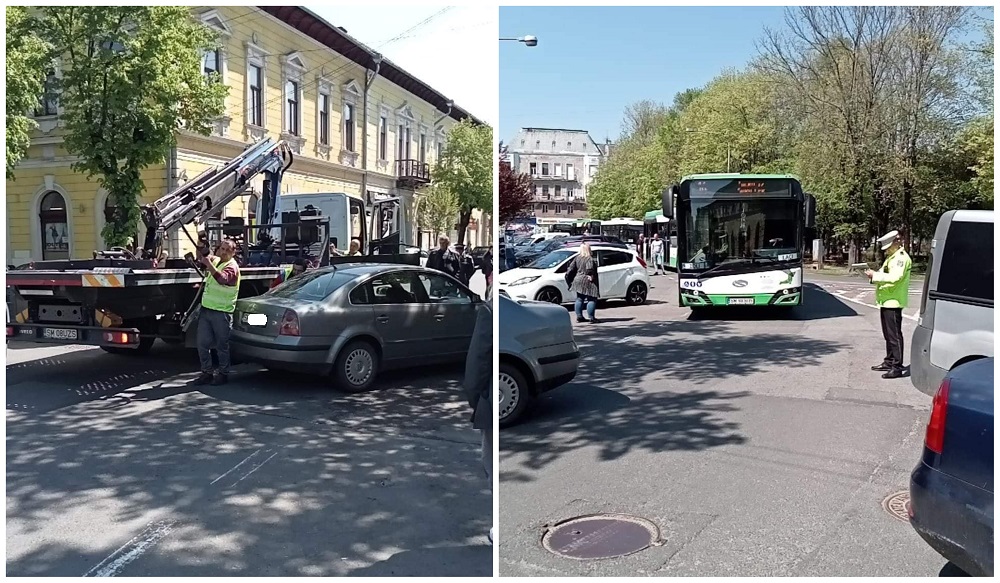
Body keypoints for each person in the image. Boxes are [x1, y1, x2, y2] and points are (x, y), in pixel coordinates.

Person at [463, 291, 493, 545]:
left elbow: (477, 362)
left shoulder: (489, 311)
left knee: (491, 461)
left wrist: (475, 399)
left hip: (491, 400)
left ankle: (498, 525)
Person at [192, 239, 241, 386]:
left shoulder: (232, 266)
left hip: (222, 313)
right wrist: (202, 247)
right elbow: (203, 258)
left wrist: (209, 264)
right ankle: (206, 372)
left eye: (228, 250)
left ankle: (223, 373)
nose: (224, 251)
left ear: (233, 252)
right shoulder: (217, 259)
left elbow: (222, 279)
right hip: (207, 310)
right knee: (202, 343)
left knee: (222, 345)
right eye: (222, 248)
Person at [865, 230, 912, 380]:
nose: (886, 251)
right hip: (886, 300)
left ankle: (897, 367)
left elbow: (895, 277)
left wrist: (875, 275)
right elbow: (884, 273)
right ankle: (889, 361)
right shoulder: (892, 257)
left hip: (894, 301)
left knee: (895, 336)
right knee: (888, 334)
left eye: (888, 247)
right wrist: (873, 274)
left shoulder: (901, 259)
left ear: (895, 243)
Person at [565, 242, 600, 323]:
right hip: (587, 280)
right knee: (592, 299)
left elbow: (570, 268)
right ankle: (591, 317)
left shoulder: (577, 258)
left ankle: (579, 316)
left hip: (578, 279)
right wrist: (590, 275)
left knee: (580, 299)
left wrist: (569, 278)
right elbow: (589, 268)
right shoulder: (589, 259)